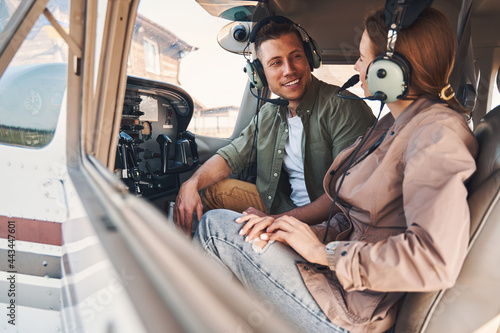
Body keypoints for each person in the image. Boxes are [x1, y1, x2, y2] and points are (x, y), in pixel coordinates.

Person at [194, 7, 478, 333]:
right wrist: (292, 233)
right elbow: (357, 217)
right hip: (338, 283)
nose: (356, 66)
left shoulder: (436, 135)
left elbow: (432, 260)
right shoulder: (393, 126)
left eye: (361, 57)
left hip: (355, 310)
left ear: (388, 71)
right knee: (238, 224)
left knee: (216, 230)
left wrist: (323, 253)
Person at [174, 16, 375, 235]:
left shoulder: (342, 106)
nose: (289, 70)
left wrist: (273, 221)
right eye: (276, 63)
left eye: (296, 56)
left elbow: (344, 196)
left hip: (330, 224)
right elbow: (230, 156)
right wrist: (191, 183)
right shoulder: (269, 114)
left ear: (309, 58)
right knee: (210, 191)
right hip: (285, 208)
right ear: (259, 74)